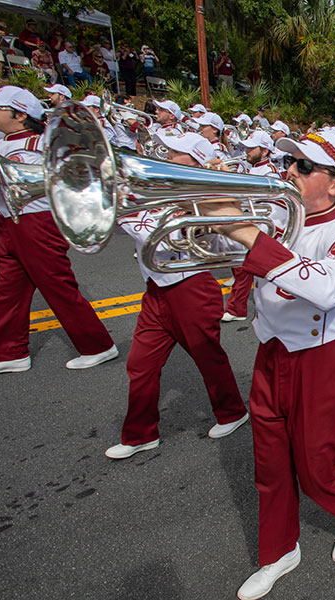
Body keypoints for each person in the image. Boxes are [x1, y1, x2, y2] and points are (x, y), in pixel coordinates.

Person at [200, 128, 335, 599]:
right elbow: (230, 252)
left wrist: (244, 230)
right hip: (271, 352)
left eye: (303, 167)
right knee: (270, 465)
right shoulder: (279, 217)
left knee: (317, 467)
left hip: (321, 362)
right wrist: (204, 219)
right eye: (289, 162)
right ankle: (279, 552)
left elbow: (327, 289)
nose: (289, 171)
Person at [104, 131, 249, 460]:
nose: (167, 157)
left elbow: (155, 235)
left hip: (192, 291)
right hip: (157, 291)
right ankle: (140, 434)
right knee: (140, 364)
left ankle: (232, 412)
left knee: (208, 359)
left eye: (176, 154)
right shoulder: (159, 193)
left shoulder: (204, 202)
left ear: (195, 162)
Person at [0, 86, 118, 376]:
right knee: (6, 290)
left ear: (19, 113)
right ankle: (9, 352)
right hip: (8, 221)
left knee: (57, 286)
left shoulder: (43, 144)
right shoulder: (3, 143)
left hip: (35, 221)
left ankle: (98, 345)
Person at [221, 130, 279, 322]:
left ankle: (237, 309)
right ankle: (239, 308)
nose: (246, 150)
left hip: (259, 225)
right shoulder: (248, 167)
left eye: (251, 148)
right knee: (242, 267)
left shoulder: (269, 172)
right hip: (246, 220)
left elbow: (259, 200)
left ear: (264, 151)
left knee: (245, 268)